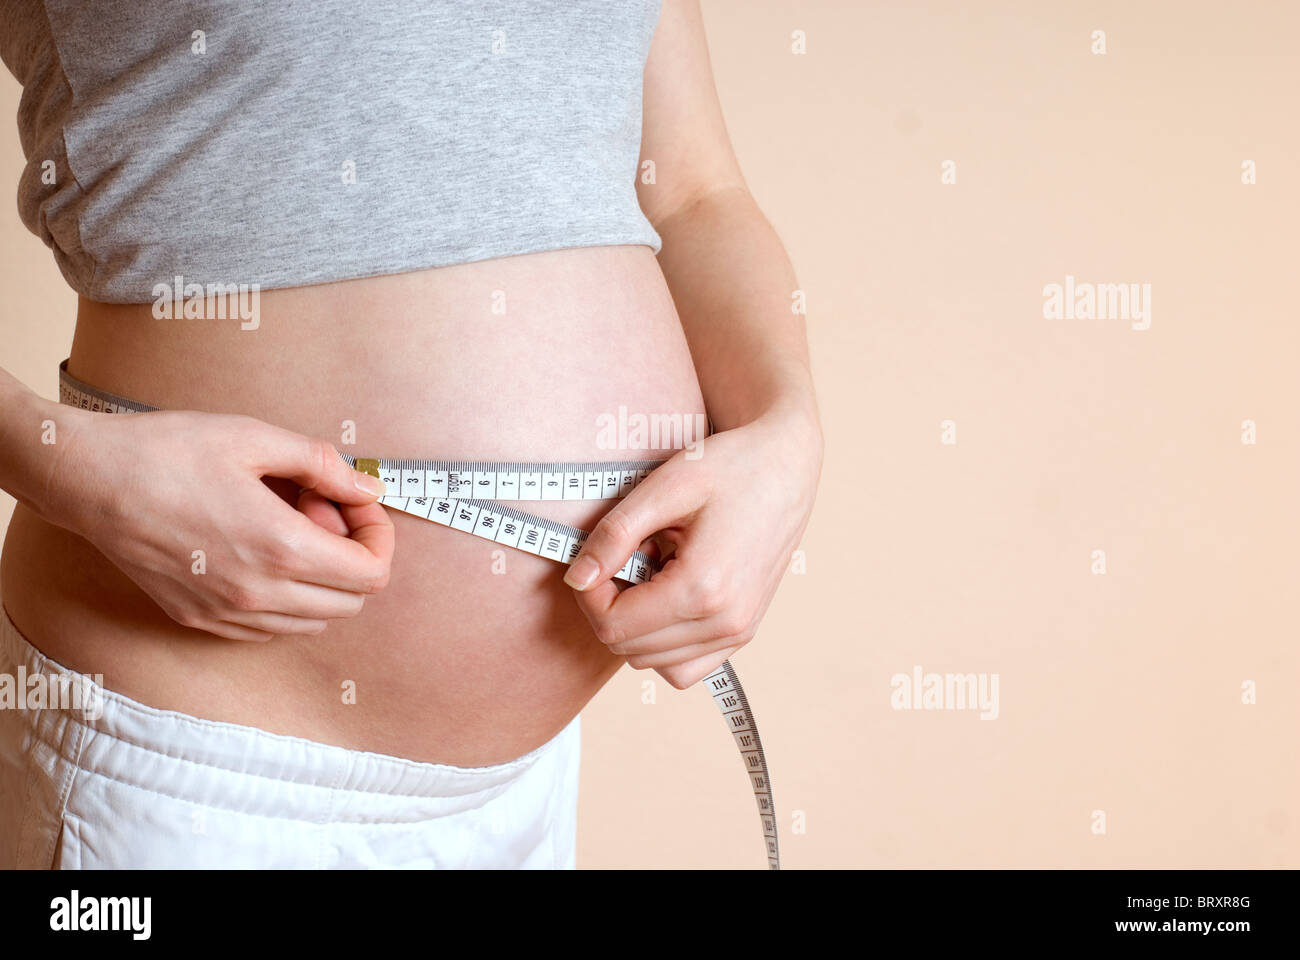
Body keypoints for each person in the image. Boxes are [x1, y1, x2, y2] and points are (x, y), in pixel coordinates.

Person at [0, 0, 822, 868]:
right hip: (192, 758)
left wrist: (788, 428)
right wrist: (65, 468)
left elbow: (696, 193)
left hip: (522, 789)